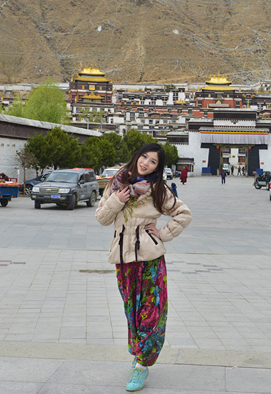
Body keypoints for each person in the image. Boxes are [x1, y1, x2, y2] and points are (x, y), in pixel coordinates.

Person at [95, 143, 192, 392]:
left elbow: (183, 214)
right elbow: (102, 218)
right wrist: (117, 200)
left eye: (153, 162)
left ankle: (141, 365)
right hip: (124, 261)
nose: (145, 163)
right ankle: (139, 355)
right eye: (144, 157)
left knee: (152, 313)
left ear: (157, 168)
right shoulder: (116, 183)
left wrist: (162, 233)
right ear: (137, 156)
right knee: (133, 313)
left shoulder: (158, 189)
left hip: (150, 260)